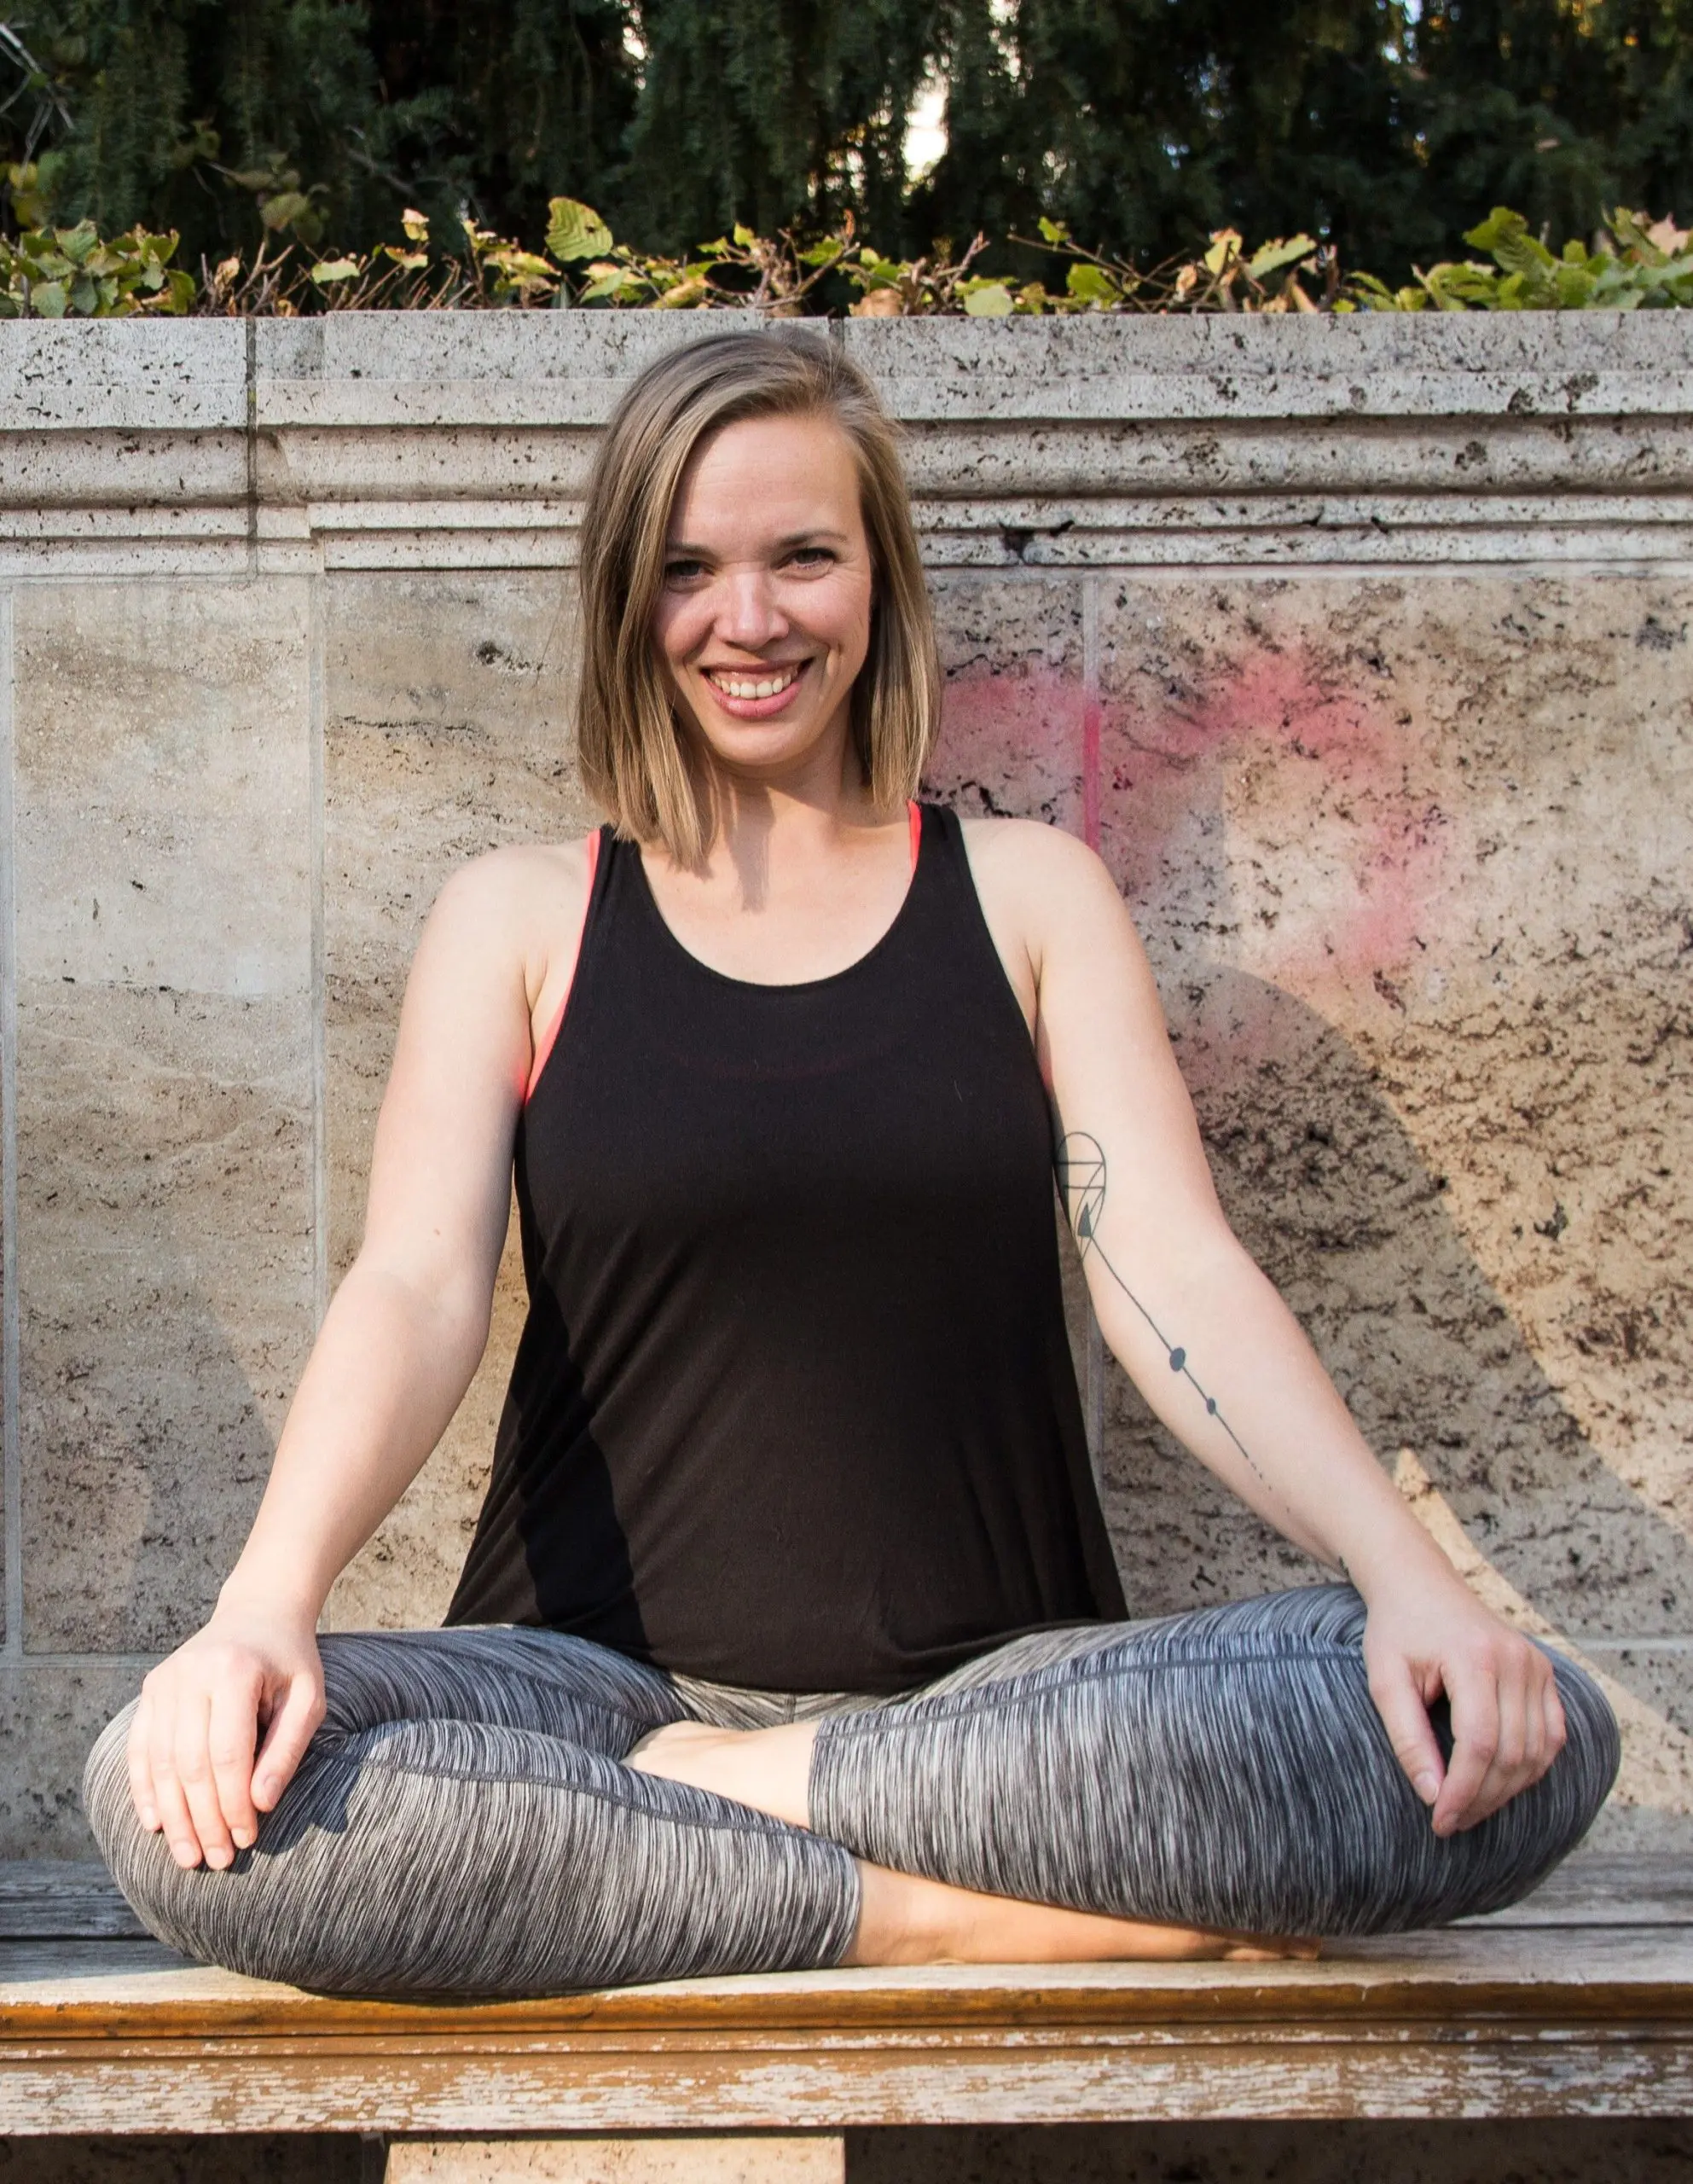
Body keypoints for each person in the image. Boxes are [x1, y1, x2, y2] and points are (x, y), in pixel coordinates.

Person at [84, 331, 1617, 1999]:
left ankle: (737, 1805)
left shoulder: (1029, 896)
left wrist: (1406, 1578)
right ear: (627, 597)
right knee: (169, 1794)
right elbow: (413, 1284)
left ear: (877, 577)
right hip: (584, 1696)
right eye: (689, 569)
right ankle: (953, 1911)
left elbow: (1171, 1267)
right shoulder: (519, 920)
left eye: (800, 556)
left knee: (1522, 1724)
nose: (747, 620)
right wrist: (263, 1605)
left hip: (997, 1707)